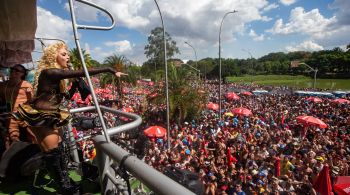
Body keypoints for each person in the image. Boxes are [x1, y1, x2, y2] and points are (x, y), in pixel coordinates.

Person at [12, 42, 126, 194]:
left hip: (50, 115)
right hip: (42, 117)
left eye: (67, 54)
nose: (68, 57)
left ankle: (65, 182)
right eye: (64, 54)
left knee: (58, 151)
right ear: (54, 56)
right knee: (52, 154)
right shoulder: (50, 72)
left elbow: (65, 98)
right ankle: (64, 187)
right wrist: (109, 69)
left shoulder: (57, 77)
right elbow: (83, 72)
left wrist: (74, 87)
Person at [0, 64, 34, 150]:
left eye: (16, 70)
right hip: (11, 115)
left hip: (25, 114)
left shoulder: (26, 85)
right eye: (12, 69)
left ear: (22, 74)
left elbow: (32, 101)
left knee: (32, 135)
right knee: (13, 137)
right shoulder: (3, 85)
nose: (13, 71)